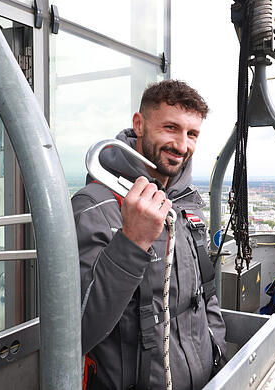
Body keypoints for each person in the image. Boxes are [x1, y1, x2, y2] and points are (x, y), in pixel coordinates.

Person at [72, 80, 227, 390]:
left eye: (192, 133)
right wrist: (131, 241)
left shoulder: (186, 201)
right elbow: (77, 330)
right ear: (139, 125)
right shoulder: (93, 206)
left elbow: (205, 294)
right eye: (171, 128)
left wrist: (217, 352)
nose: (183, 146)